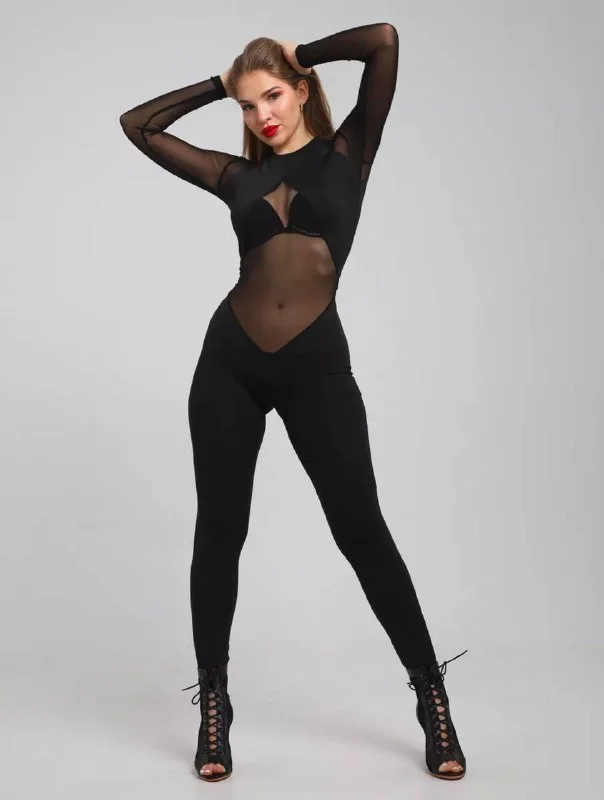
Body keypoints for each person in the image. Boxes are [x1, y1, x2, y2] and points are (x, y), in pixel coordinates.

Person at [119, 22, 467, 783]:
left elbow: (383, 41)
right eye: (249, 106)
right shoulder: (234, 176)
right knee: (220, 531)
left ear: (302, 91)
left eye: (272, 96)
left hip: (315, 369)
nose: (262, 115)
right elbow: (137, 125)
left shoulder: (350, 152)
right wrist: (218, 86)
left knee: (362, 531)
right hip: (230, 365)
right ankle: (215, 706)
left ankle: (432, 697)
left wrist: (297, 53)